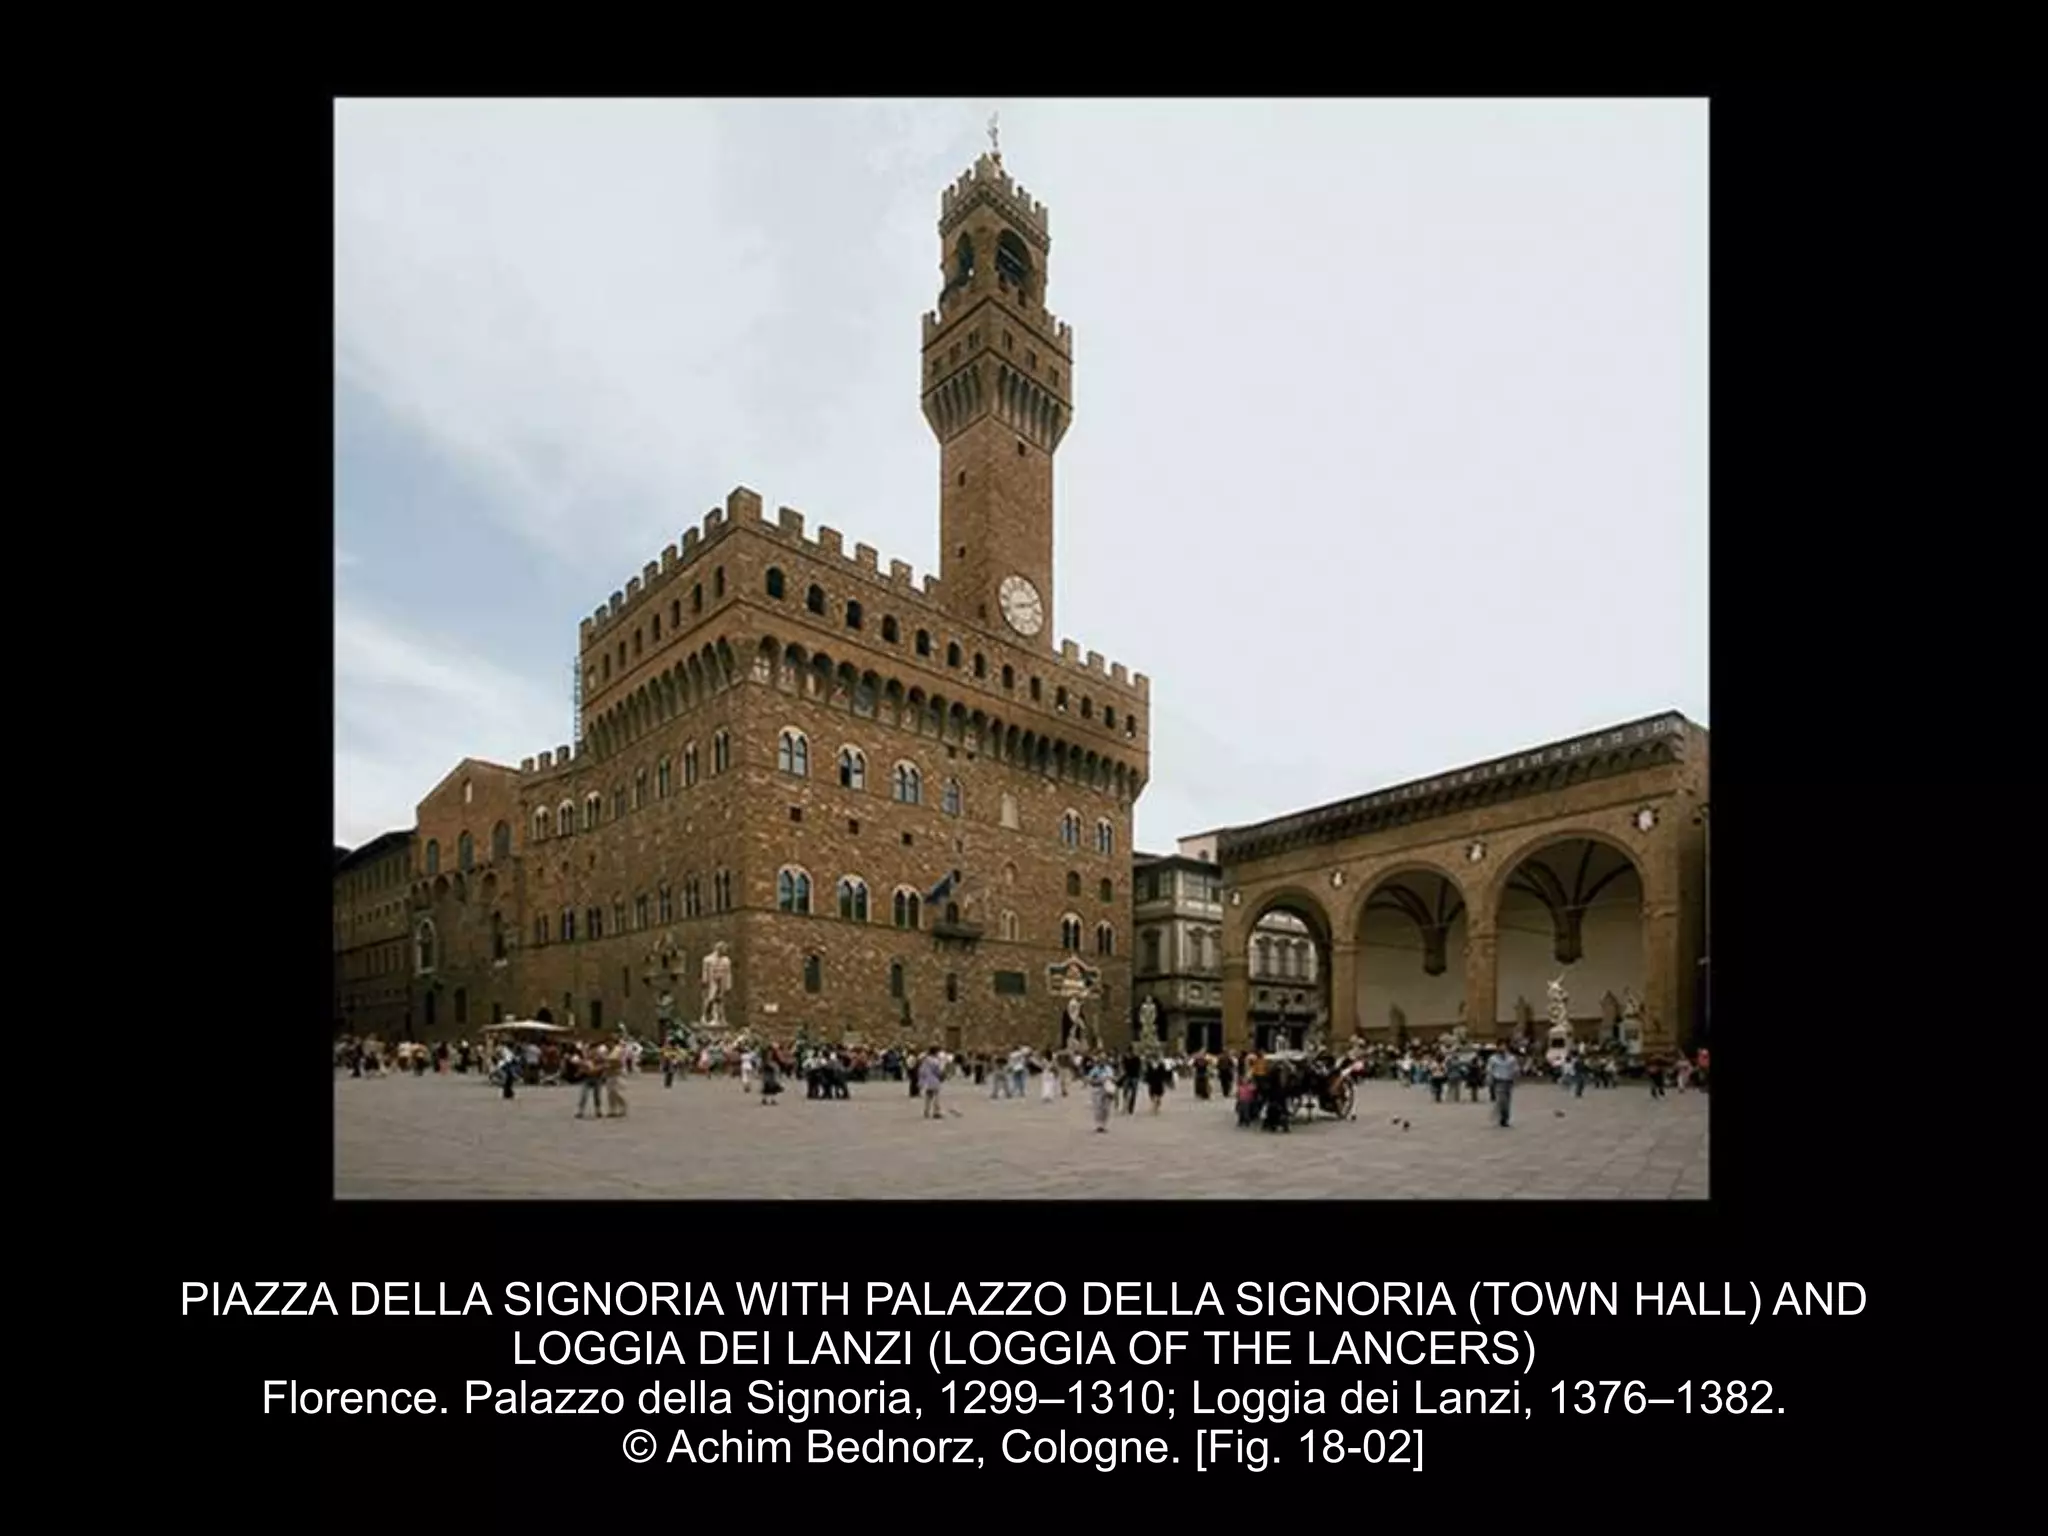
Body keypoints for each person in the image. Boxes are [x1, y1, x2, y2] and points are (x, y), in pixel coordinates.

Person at [1487, 1039, 1519, 1127]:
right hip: (1498, 1081)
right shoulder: (1493, 1059)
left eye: (1504, 1046)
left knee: (1507, 1101)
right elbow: (1489, 1070)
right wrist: (1490, 1080)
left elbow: (1515, 1069)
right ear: (1497, 1047)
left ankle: (1505, 1118)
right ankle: (1502, 1116)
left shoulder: (1511, 1058)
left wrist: (1516, 1075)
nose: (1502, 1047)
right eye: (1501, 1046)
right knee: (1502, 1100)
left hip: (1508, 1081)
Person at [918, 1048, 944, 1120]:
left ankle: (926, 1110)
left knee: (928, 1096)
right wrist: (941, 1076)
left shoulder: (925, 1060)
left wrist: (922, 1080)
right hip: (934, 1080)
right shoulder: (935, 1061)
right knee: (936, 1096)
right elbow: (938, 1071)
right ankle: (936, 1112)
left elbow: (921, 1070)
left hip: (927, 1080)